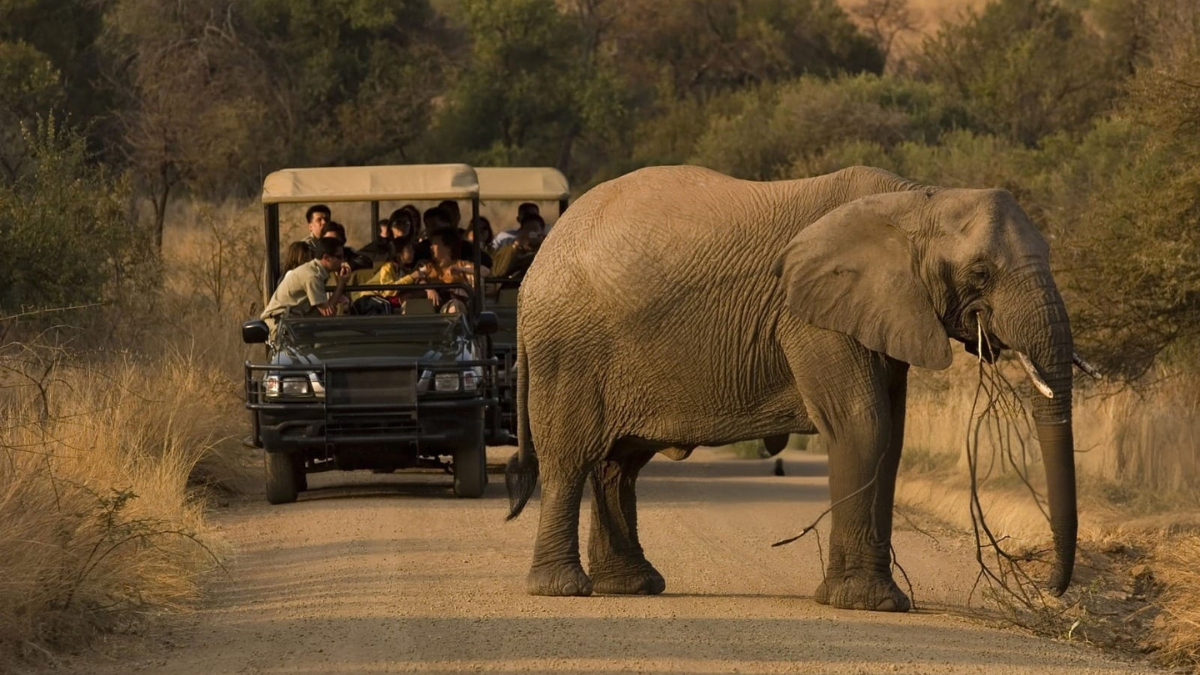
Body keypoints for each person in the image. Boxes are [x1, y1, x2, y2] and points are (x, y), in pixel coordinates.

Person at [261, 238, 351, 331]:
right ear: (326, 257)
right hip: (280, 326)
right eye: (339, 257)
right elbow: (327, 313)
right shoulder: (312, 276)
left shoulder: (314, 271)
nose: (342, 262)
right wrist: (341, 282)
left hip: (293, 323)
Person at [389, 228, 478, 313]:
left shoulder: (461, 265)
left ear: (448, 247)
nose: (431, 247)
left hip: (451, 304)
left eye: (435, 244)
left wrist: (461, 269)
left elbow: (482, 271)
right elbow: (418, 276)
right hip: (429, 305)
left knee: (455, 308)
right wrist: (429, 288)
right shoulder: (426, 265)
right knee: (409, 307)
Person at [490, 213, 544, 279]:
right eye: (527, 229)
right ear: (521, 231)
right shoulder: (509, 250)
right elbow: (498, 272)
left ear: (541, 232)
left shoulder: (548, 251)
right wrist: (515, 246)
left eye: (534, 229)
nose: (530, 233)